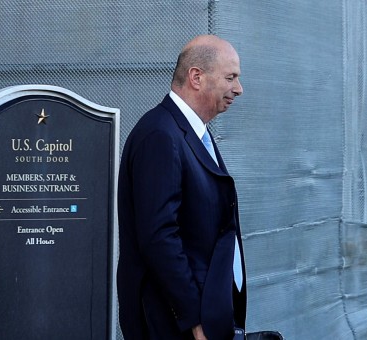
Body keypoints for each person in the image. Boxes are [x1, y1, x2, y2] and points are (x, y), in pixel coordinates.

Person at [117, 35, 246, 340]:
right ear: (196, 77)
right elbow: (159, 236)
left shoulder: (191, 132)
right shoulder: (160, 135)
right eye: (231, 78)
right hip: (172, 324)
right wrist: (194, 319)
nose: (239, 89)